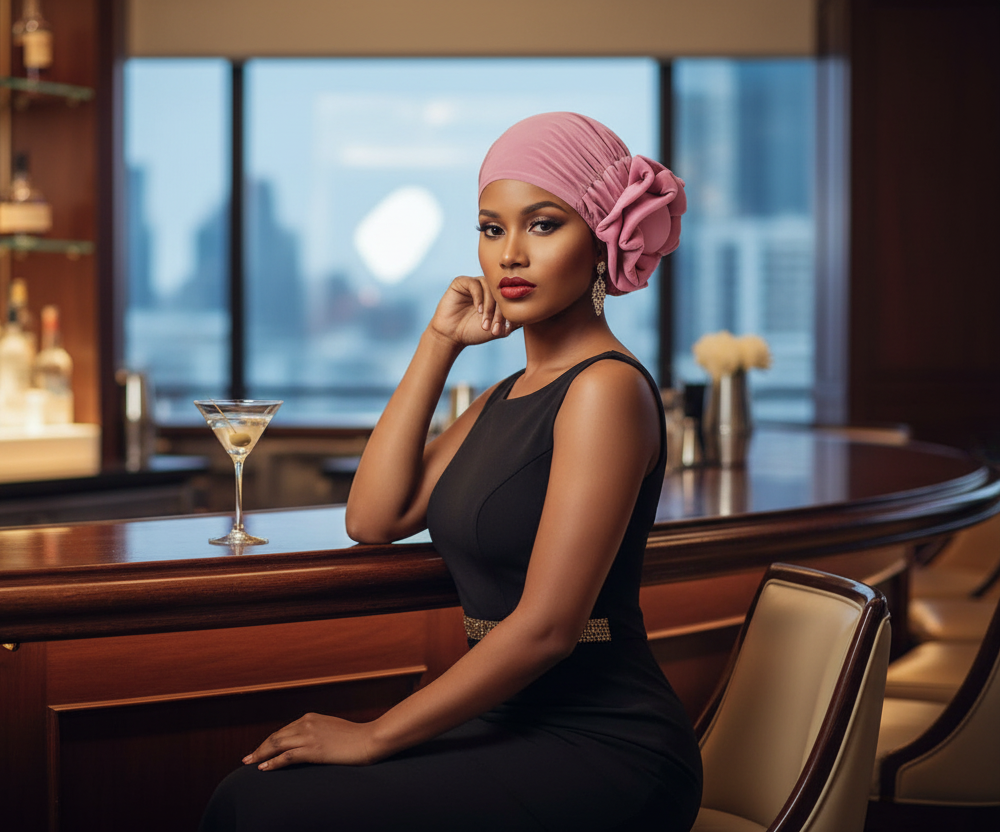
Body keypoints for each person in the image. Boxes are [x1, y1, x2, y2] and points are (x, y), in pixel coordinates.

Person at [199, 112, 700, 832]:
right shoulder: (503, 397)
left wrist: (373, 736)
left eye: (544, 224)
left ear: (600, 241)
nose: (511, 256)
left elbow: (550, 628)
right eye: (492, 230)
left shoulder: (605, 390)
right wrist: (439, 343)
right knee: (249, 797)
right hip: (503, 724)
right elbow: (374, 518)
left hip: (604, 745)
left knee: (268, 809)